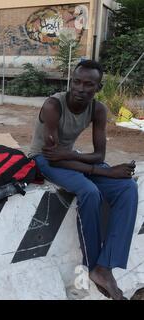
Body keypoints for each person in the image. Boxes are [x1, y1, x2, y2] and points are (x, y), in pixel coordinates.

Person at [29, 60, 138, 300]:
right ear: (70, 82)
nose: (80, 88)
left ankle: (105, 266)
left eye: (88, 84)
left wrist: (73, 155)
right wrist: (106, 171)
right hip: (42, 160)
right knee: (89, 191)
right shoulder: (53, 105)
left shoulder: (98, 109)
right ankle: (93, 265)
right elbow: (52, 158)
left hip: (68, 156)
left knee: (127, 188)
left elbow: (99, 155)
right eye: (76, 82)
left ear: (98, 88)